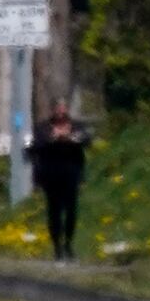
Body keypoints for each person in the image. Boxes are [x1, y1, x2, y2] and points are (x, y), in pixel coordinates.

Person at [27, 107, 93, 259]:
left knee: (71, 211)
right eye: (58, 110)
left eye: (63, 111)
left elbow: (87, 141)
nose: (61, 114)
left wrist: (71, 138)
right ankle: (57, 247)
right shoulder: (42, 128)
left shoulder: (76, 126)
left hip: (71, 174)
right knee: (54, 211)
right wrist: (52, 138)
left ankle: (68, 244)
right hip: (51, 175)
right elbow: (32, 147)